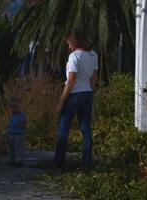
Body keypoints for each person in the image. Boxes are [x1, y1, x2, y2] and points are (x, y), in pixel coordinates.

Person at [53, 30, 98, 168]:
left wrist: (61, 101)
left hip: (74, 95)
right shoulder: (93, 55)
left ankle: (58, 162)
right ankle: (86, 161)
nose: (68, 46)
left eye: (68, 43)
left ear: (74, 42)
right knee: (85, 127)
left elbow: (71, 81)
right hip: (87, 93)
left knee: (63, 127)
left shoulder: (74, 57)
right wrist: (91, 89)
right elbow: (95, 77)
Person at [7, 97, 27, 167]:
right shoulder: (11, 115)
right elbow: (9, 123)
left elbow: (24, 124)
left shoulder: (21, 115)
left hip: (18, 134)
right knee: (11, 148)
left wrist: (20, 125)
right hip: (11, 134)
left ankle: (18, 161)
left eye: (15, 107)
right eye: (11, 108)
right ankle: (11, 160)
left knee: (18, 148)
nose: (13, 109)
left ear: (18, 107)